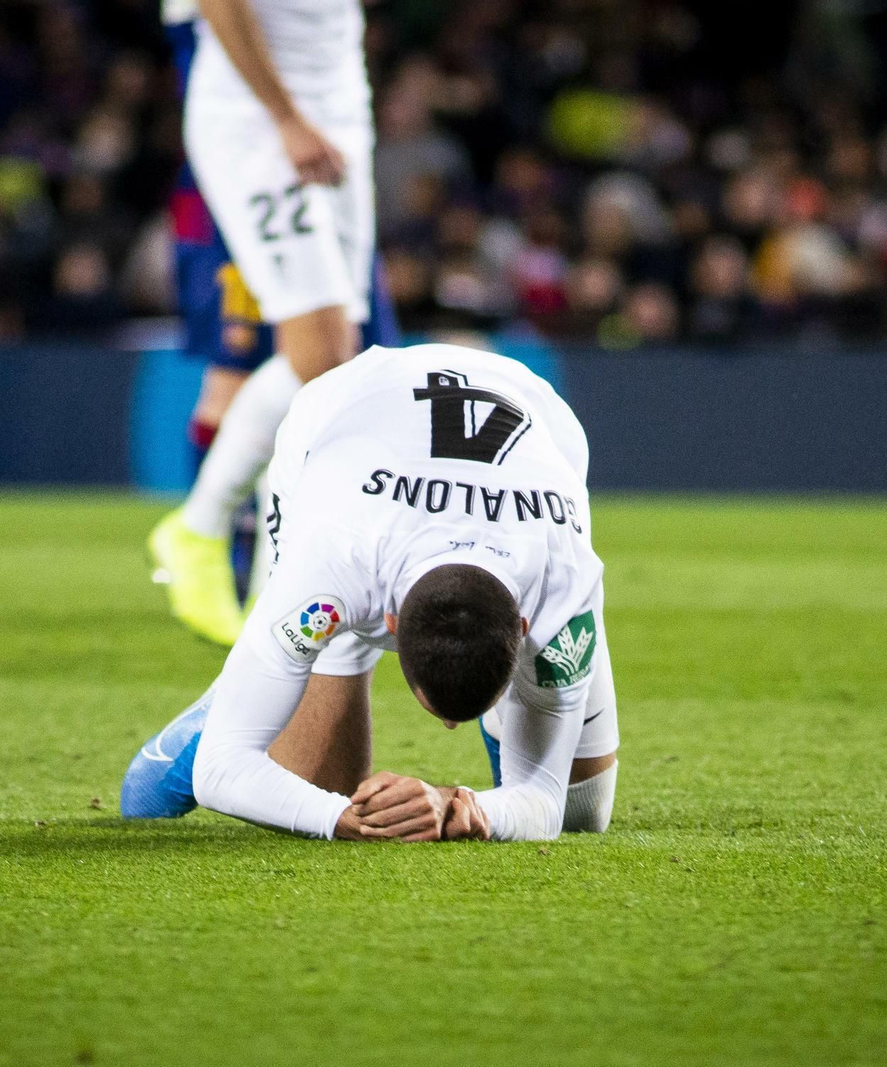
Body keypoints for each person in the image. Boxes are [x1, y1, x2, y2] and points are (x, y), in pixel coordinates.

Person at [122, 343, 618, 842]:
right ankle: (233, 692)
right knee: (318, 785)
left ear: (525, 625)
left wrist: (461, 808)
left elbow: (550, 805)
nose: (449, 729)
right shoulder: (330, 562)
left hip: (534, 416)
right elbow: (221, 772)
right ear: (391, 623)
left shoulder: (564, 582)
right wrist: (345, 820)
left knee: (585, 811)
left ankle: (266, 671)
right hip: (341, 424)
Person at [149, 0, 384, 646]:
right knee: (319, 350)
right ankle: (200, 527)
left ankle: (262, 587)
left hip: (339, 100)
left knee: (340, 355)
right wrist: (285, 117)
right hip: (262, 119)